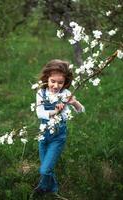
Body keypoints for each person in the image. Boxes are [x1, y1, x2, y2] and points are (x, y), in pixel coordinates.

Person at [34, 59, 85, 195]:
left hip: (58, 136)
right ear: (47, 79)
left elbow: (81, 110)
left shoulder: (65, 94)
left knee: (44, 170)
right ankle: (52, 189)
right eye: (53, 81)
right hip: (43, 134)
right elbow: (40, 113)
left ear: (65, 82)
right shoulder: (41, 93)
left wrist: (74, 103)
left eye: (60, 82)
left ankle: (42, 188)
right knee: (47, 166)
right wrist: (55, 111)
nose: (56, 86)